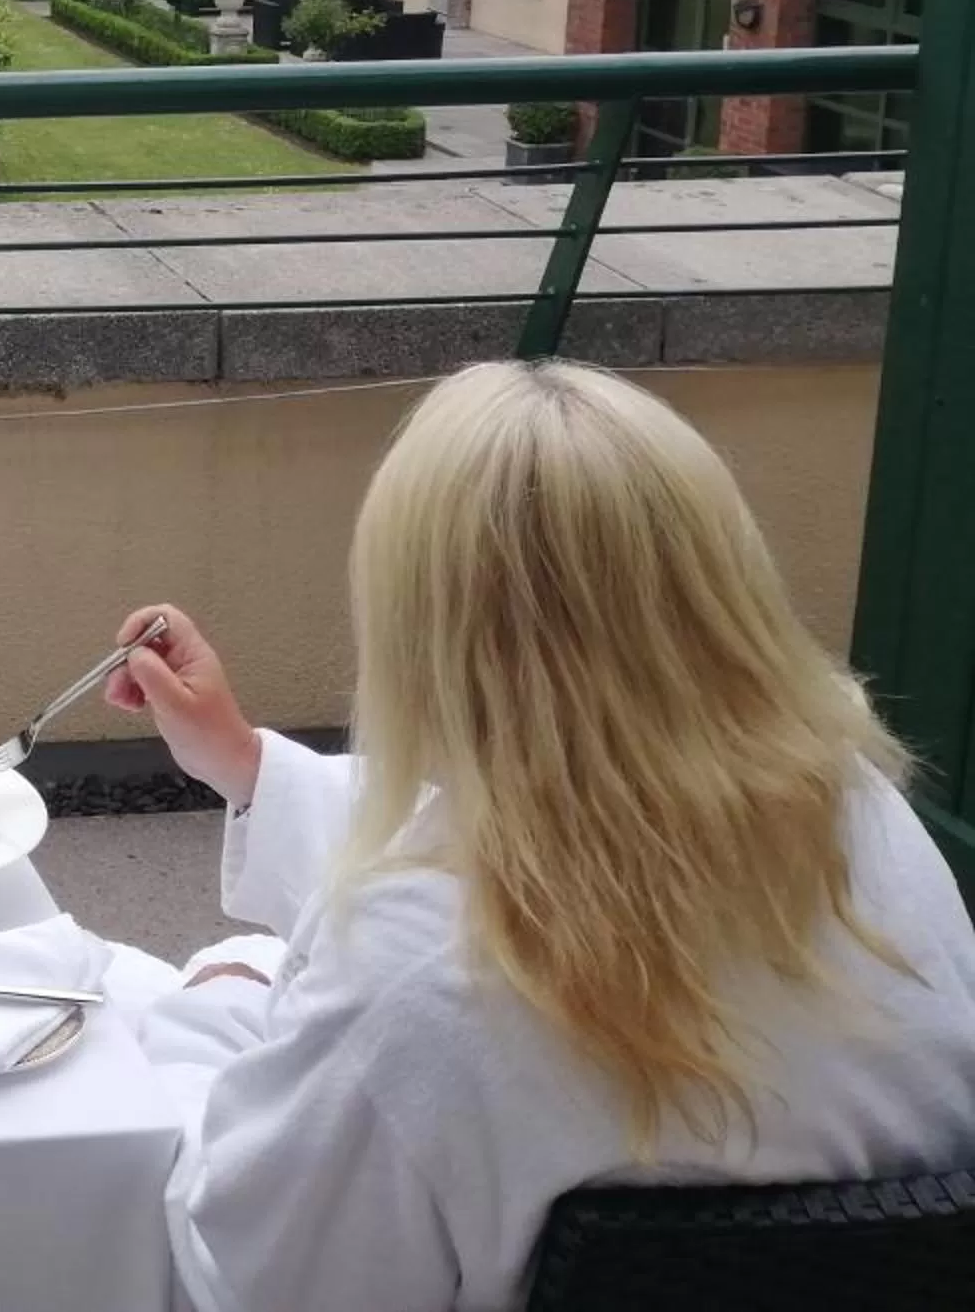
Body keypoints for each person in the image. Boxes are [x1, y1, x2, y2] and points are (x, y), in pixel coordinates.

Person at [113, 358, 975, 1312]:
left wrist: (202, 1023)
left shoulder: (410, 985)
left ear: (420, 632)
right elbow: (544, 844)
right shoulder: (863, 812)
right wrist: (247, 765)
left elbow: (249, 1279)